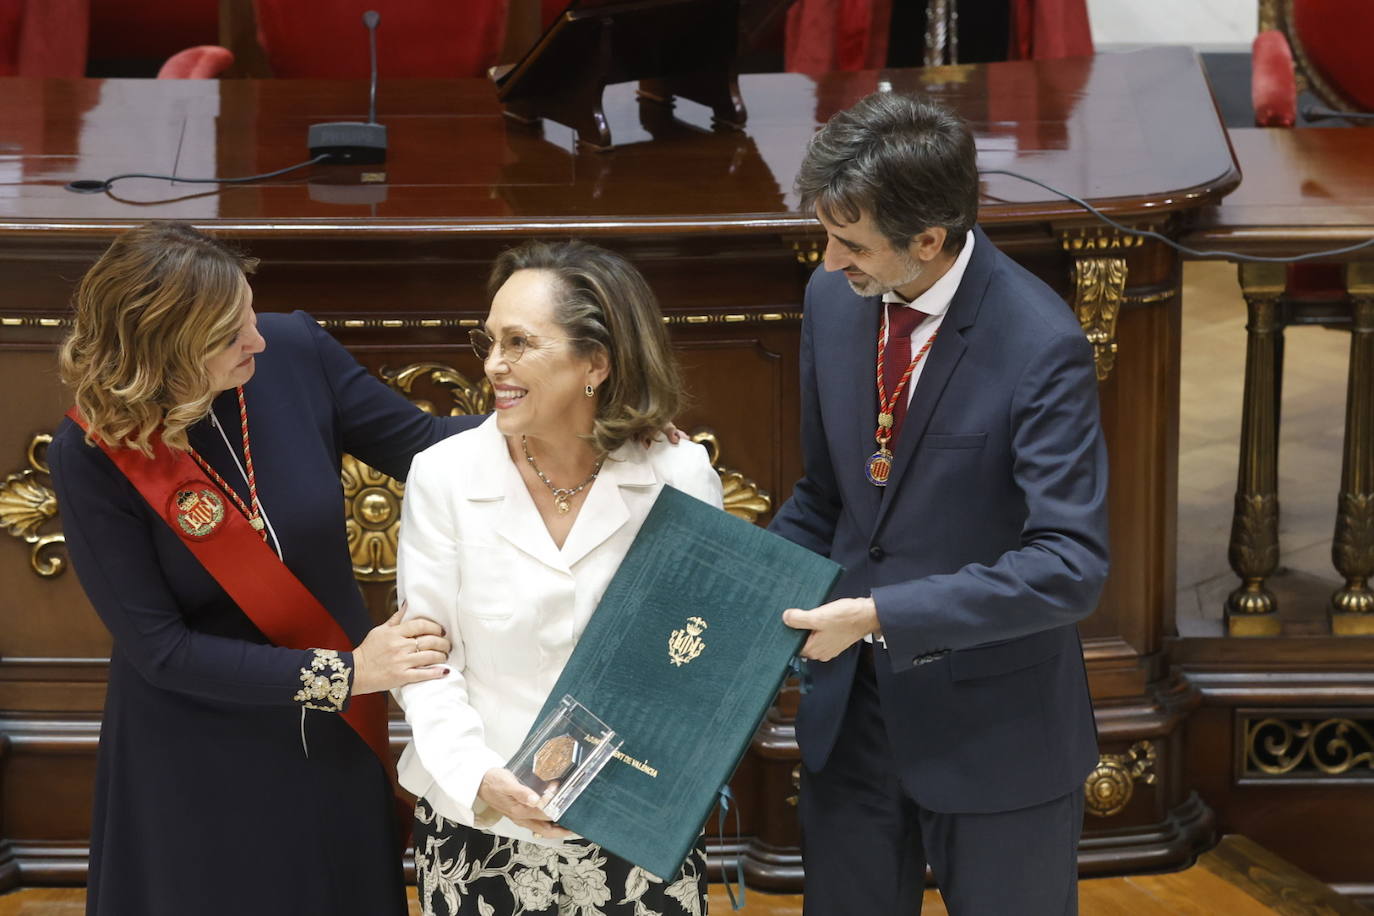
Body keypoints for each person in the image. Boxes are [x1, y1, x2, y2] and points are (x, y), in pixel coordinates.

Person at [49, 221, 479, 916]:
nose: (257, 339)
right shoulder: (91, 454)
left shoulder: (294, 350)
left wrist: (579, 421)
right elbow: (162, 650)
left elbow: (428, 446)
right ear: (164, 353)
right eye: (229, 336)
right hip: (199, 752)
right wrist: (348, 673)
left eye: (248, 312)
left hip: (327, 738)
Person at [770, 92, 1109, 914]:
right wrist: (739, 585)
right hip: (854, 727)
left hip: (997, 734)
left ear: (928, 239)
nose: (826, 261)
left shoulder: (1040, 343)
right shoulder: (831, 303)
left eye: (850, 243)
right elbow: (827, 495)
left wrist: (880, 613)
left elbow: (1070, 566)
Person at [395, 240, 722, 916]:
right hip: (480, 825)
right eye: (489, 342)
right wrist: (484, 780)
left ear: (595, 363)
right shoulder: (444, 476)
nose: (493, 366)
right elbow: (423, 663)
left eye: (519, 343)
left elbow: (695, 665)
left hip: (636, 826)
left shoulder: (678, 475)